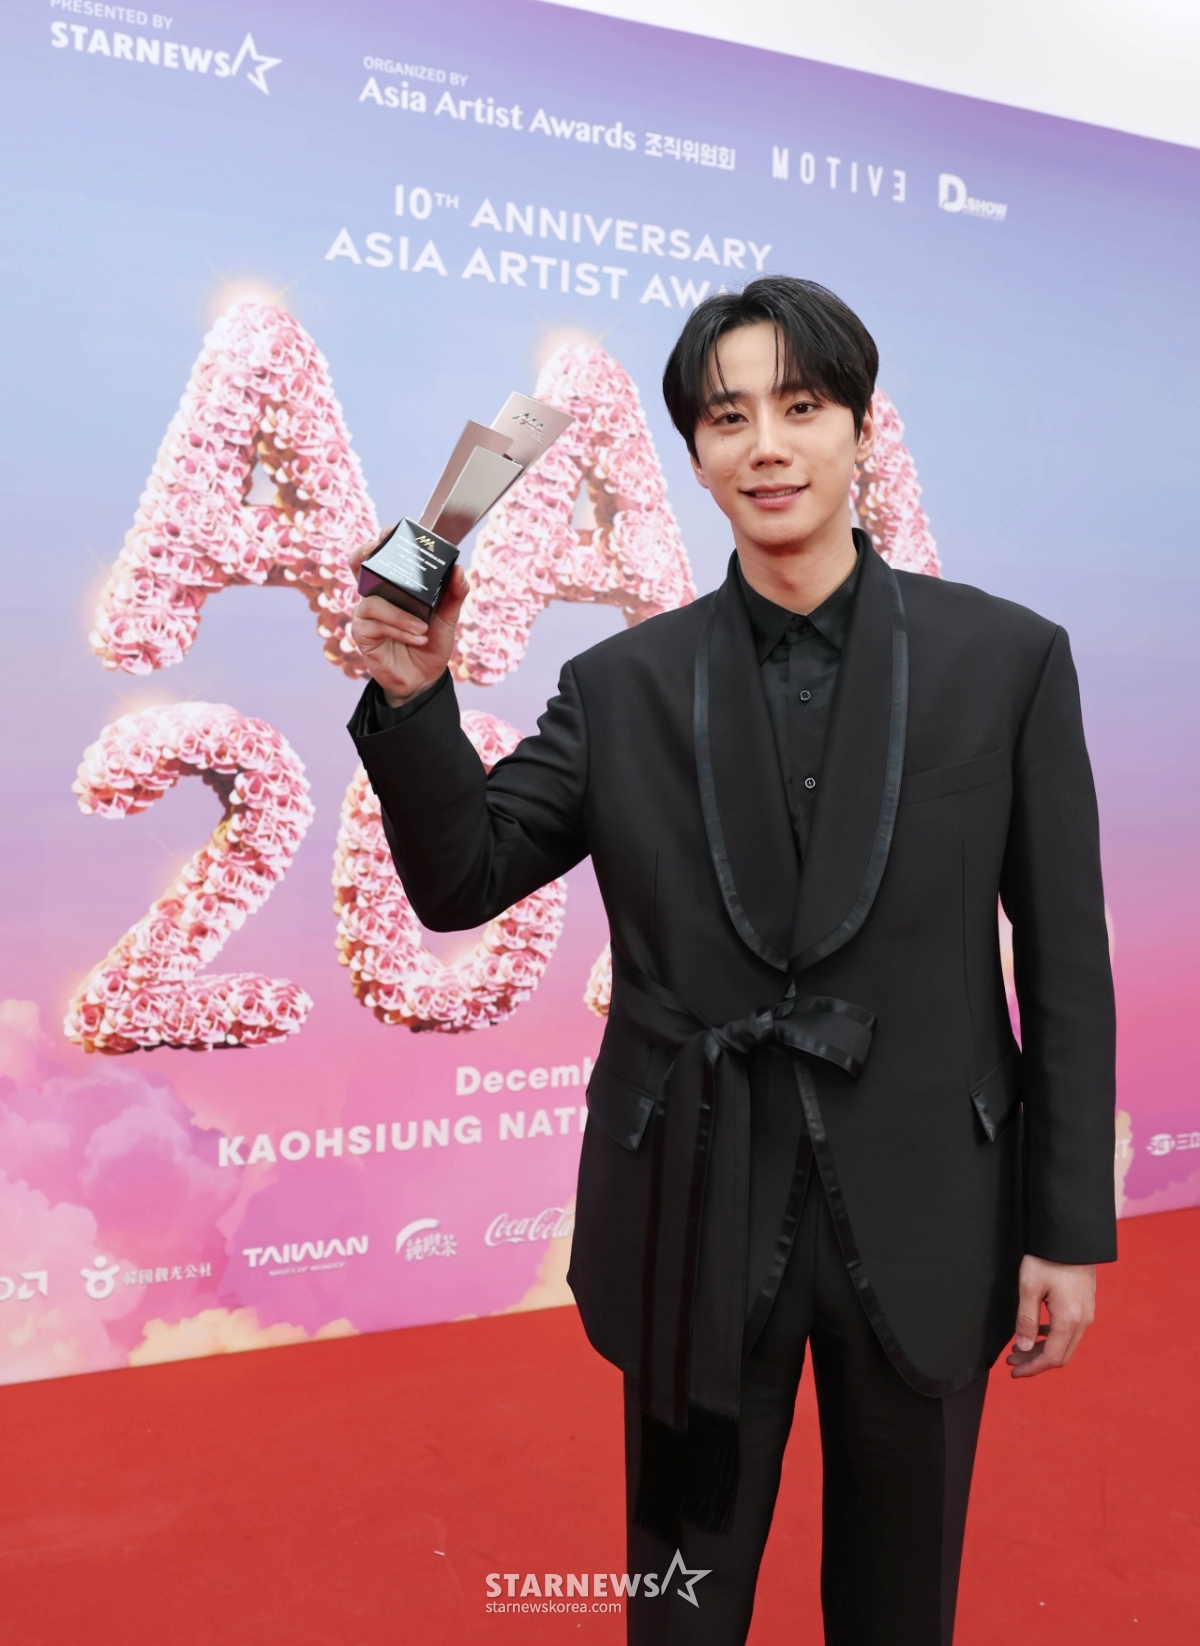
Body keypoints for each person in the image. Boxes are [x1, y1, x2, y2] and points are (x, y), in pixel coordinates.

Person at [347, 277, 1116, 1645]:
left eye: (800, 407)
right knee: (682, 1609)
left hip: (932, 1204)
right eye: (727, 417)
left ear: (861, 428)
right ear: (695, 455)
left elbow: (1064, 962)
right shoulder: (622, 687)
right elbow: (463, 879)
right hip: (690, 1211)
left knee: (899, 1609)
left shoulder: (1006, 662)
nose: (767, 445)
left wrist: (1066, 1228)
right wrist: (415, 700)